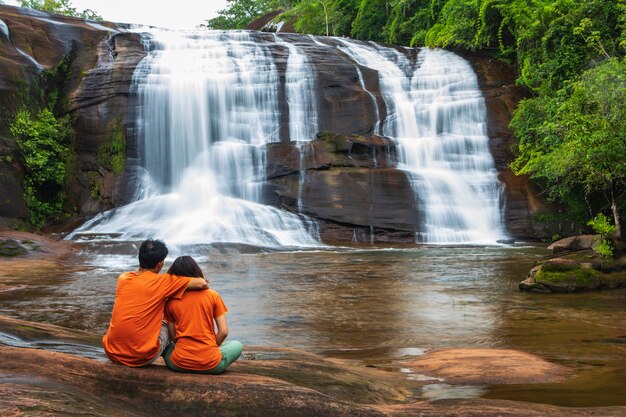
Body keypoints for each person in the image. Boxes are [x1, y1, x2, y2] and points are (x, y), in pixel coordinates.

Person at [102, 239, 208, 367]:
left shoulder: (123, 278)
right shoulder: (163, 282)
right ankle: (184, 356)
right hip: (141, 357)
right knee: (168, 324)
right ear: (160, 264)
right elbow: (202, 283)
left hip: (112, 352)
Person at [163, 255, 243, 374]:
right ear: (197, 272)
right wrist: (209, 349)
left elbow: (173, 336)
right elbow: (223, 332)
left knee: (166, 345)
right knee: (237, 345)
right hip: (211, 365)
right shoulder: (213, 296)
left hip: (179, 364)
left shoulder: (170, 301)